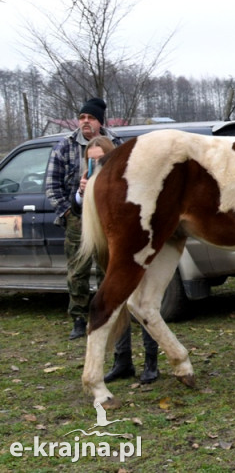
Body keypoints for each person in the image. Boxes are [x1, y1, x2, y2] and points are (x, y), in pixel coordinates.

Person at [74, 136, 160, 385]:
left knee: (143, 303)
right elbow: (75, 207)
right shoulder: (91, 182)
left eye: (100, 160)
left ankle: (151, 362)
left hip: (132, 252)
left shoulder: (127, 181)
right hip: (107, 252)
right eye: (91, 161)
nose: (95, 165)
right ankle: (122, 361)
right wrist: (82, 194)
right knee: (115, 305)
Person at [44, 97, 119, 340]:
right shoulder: (64, 146)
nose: (85, 122)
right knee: (78, 270)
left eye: (91, 118)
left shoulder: (116, 143)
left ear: (100, 121)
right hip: (77, 215)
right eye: (82, 117)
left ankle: (109, 313)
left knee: (108, 266)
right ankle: (78, 318)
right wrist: (67, 211)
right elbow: (51, 185)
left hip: (108, 215)